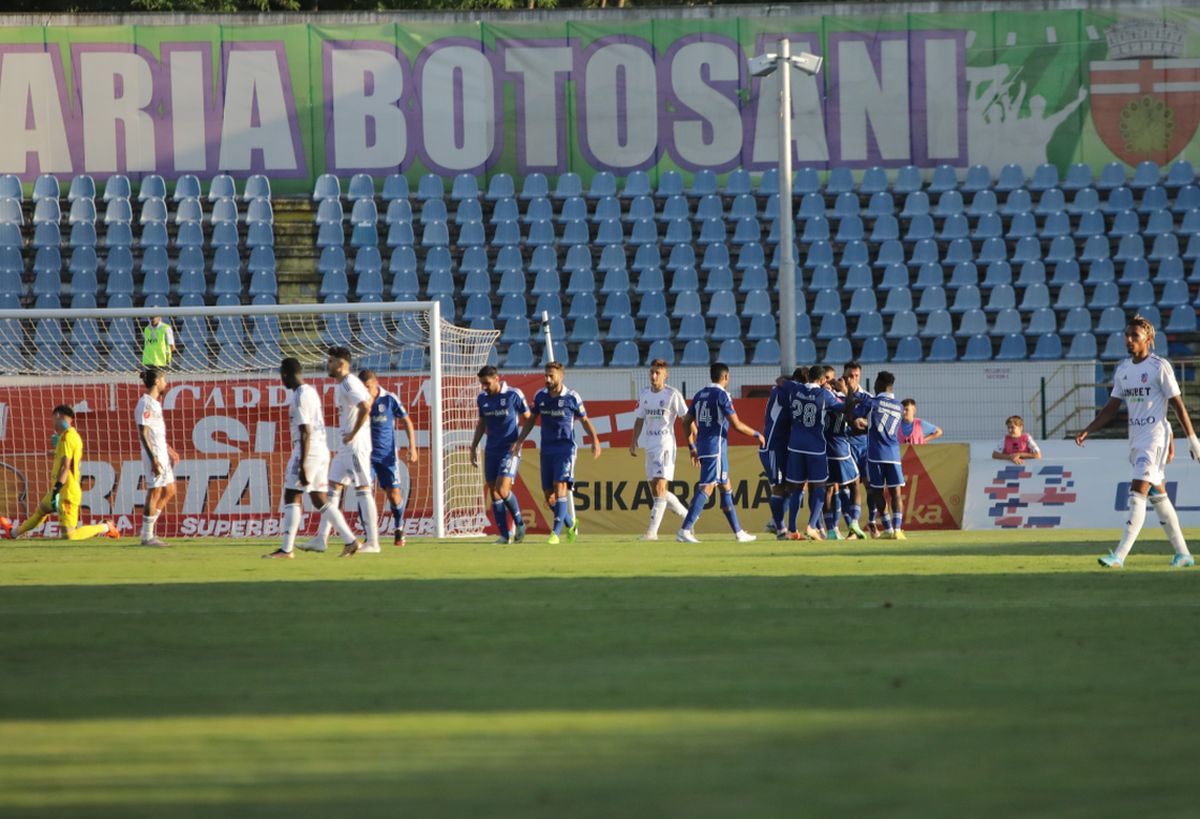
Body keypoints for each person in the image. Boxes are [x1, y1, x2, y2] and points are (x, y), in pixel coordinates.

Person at [1075, 316, 1200, 568]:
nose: (1129, 340)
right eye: (1127, 335)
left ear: (1148, 339)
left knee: (1137, 492)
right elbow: (1111, 409)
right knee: (1158, 495)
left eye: (1135, 336)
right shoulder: (1123, 370)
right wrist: (1088, 430)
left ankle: (1119, 556)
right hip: (1136, 439)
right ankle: (1183, 554)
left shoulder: (1159, 366)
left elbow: (1177, 405)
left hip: (1155, 438)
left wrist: (1192, 438)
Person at [264, 358, 362, 559]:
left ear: (285, 374)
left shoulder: (299, 397)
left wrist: (302, 464)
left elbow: (305, 430)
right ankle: (351, 541)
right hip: (321, 449)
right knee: (319, 499)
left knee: (292, 495)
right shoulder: (311, 391)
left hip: (306, 450)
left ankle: (286, 549)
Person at [298, 347, 377, 556]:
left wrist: (353, 433)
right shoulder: (343, 384)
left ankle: (373, 542)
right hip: (345, 448)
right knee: (331, 490)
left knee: (363, 489)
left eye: (331, 361)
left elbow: (366, 406)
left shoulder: (350, 382)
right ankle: (321, 539)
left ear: (341, 364)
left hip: (355, 446)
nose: (328, 364)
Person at [512, 362, 602, 544]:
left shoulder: (572, 397)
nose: (547, 379)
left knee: (560, 486)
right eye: (546, 375)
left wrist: (595, 440)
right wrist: (520, 440)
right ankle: (571, 524)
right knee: (549, 495)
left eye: (551, 376)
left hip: (566, 448)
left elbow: (584, 420)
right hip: (547, 449)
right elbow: (531, 420)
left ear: (561, 376)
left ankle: (555, 533)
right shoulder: (540, 396)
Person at [0, 405, 120, 542]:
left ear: (58, 416)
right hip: (60, 488)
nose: (53, 423)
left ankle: (106, 527)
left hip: (66, 491)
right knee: (41, 511)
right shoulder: (69, 436)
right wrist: (55, 451)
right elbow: (66, 457)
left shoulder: (67, 438)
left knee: (69, 535)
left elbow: (66, 466)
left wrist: (57, 489)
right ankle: (13, 532)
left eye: (53, 419)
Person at [677, 362, 765, 544]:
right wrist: (757, 434)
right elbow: (736, 424)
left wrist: (692, 448)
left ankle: (739, 532)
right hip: (715, 448)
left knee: (726, 486)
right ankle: (685, 530)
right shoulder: (722, 395)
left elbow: (686, 422)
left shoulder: (700, 394)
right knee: (707, 487)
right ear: (726, 377)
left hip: (704, 447)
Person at [629, 359, 691, 540]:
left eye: (658, 372)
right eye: (652, 372)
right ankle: (687, 516)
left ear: (665, 375)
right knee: (656, 491)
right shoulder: (644, 394)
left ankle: (652, 532)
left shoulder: (673, 394)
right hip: (649, 444)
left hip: (665, 444)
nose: (654, 375)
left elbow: (686, 418)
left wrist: (694, 442)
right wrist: (633, 441)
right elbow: (640, 418)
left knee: (660, 487)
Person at [781, 364, 844, 541]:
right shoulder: (825, 395)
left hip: (795, 446)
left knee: (796, 488)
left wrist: (796, 380)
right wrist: (843, 391)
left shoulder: (795, 387)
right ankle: (811, 525)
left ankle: (792, 529)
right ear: (823, 380)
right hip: (815, 447)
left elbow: (781, 381)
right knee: (820, 487)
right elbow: (844, 408)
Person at [470, 365, 530, 545]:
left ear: (496, 379)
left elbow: (529, 418)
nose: (484, 387)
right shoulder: (482, 398)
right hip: (491, 450)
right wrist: (473, 446)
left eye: (487, 383)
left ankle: (519, 523)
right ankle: (504, 535)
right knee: (494, 493)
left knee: (502, 490)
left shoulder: (513, 395)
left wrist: (519, 441)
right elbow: (482, 423)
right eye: (482, 384)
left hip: (509, 450)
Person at [846, 370, 906, 540]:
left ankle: (887, 528)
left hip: (876, 454)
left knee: (877, 492)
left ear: (878, 385)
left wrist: (851, 395)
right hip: (894, 454)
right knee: (896, 492)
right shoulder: (899, 406)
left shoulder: (872, 403)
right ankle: (898, 529)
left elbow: (852, 414)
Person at [361, 370, 418, 548]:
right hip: (365, 456)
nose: (365, 391)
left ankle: (399, 528)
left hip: (387, 457)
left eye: (368, 387)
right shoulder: (359, 402)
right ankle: (369, 535)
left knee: (394, 495)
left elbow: (407, 421)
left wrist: (412, 447)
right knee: (364, 494)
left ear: (375, 383)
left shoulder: (389, 399)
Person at [135, 368, 179, 547]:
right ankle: (147, 536)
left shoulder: (154, 403)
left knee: (170, 490)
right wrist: (153, 458)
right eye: (164, 380)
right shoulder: (145, 403)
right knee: (155, 491)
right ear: (157, 381)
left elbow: (155, 431)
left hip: (161, 452)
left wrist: (168, 449)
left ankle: (148, 531)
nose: (166, 383)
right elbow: (143, 432)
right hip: (153, 454)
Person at [823, 374, 866, 540]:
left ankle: (831, 529)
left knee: (829, 489)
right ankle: (854, 521)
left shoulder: (821, 399)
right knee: (855, 483)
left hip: (824, 450)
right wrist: (847, 391)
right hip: (840, 449)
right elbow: (850, 417)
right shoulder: (840, 401)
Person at [760, 371, 793, 540]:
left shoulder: (779, 391)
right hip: (772, 447)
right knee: (779, 487)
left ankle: (774, 522)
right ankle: (780, 530)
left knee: (790, 486)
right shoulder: (781, 393)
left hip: (780, 447)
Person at [842, 361, 872, 538]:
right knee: (848, 486)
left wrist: (865, 423)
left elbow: (874, 422)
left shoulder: (867, 397)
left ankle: (872, 523)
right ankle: (852, 525)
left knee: (870, 485)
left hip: (864, 446)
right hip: (845, 445)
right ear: (844, 376)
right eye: (849, 376)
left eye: (856, 376)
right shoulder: (837, 395)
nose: (852, 379)